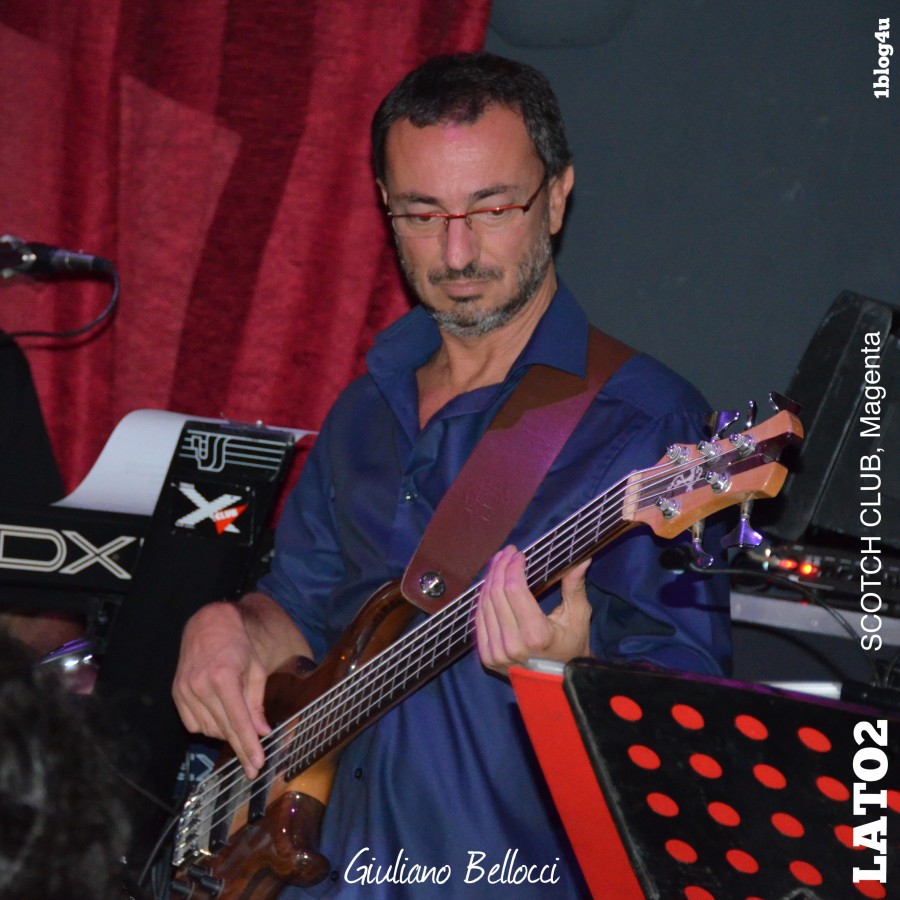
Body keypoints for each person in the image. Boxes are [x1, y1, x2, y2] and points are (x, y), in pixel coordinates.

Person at [173, 52, 731, 898]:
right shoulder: (365, 409)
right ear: (385, 206)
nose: (457, 250)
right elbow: (296, 610)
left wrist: (576, 671)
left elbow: (696, 727)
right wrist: (229, 626)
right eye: (423, 213)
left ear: (557, 197)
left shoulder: (648, 425)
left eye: (493, 208)